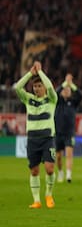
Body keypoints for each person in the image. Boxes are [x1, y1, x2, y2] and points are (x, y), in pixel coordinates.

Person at [15, 61, 58, 209]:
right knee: (34, 170)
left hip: (47, 139)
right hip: (32, 140)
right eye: (35, 86)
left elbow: (51, 87)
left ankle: (48, 194)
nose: (37, 88)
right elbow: (17, 87)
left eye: (40, 86)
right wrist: (30, 74)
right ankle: (36, 201)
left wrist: (40, 72)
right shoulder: (29, 99)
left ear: (44, 87)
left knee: (50, 168)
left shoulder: (52, 99)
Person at [54, 73, 82, 183]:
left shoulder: (73, 103)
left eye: (68, 90)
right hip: (57, 133)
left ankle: (69, 176)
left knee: (69, 154)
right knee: (59, 157)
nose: (67, 91)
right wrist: (65, 83)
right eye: (65, 90)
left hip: (69, 133)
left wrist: (71, 84)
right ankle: (60, 172)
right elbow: (55, 92)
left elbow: (80, 95)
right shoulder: (57, 101)